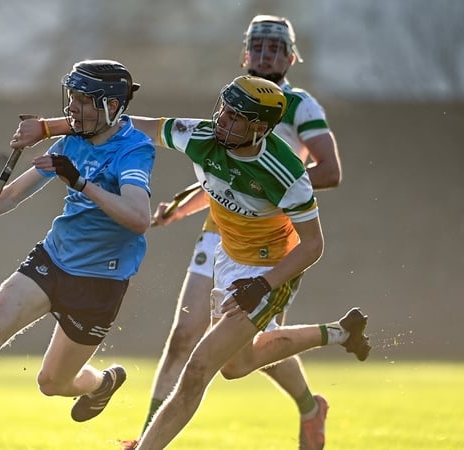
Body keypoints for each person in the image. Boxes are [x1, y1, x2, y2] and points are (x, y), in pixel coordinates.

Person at [14, 75, 371, 449]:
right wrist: (45, 127)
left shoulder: (285, 173)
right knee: (235, 366)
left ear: (260, 128)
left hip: (272, 268)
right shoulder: (201, 135)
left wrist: (263, 284)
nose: (221, 120)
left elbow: (313, 245)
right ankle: (339, 332)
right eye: (223, 109)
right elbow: (126, 124)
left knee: (198, 369)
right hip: (229, 259)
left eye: (235, 117)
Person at [134, 15, 346, 449]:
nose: (265, 55)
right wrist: (184, 205)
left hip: (269, 240)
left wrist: (271, 186)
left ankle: (309, 405)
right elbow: (220, 169)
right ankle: (145, 438)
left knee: (246, 354)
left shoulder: (300, 104)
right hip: (219, 227)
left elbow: (330, 170)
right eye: (258, 46)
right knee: (185, 334)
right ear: (245, 52)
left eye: (275, 48)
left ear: (289, 56)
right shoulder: (234, 98)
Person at [0, 59, 155, 450]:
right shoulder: (70, 140)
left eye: (85, 101)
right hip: (53, 260)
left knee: (52, 384)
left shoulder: (134, 150)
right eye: (73, 98)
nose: (74, 109)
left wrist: (81, 183)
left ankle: (102, 382)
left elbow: (138, 218)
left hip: (101, 281)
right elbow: (11, 195)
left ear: (113, 107)